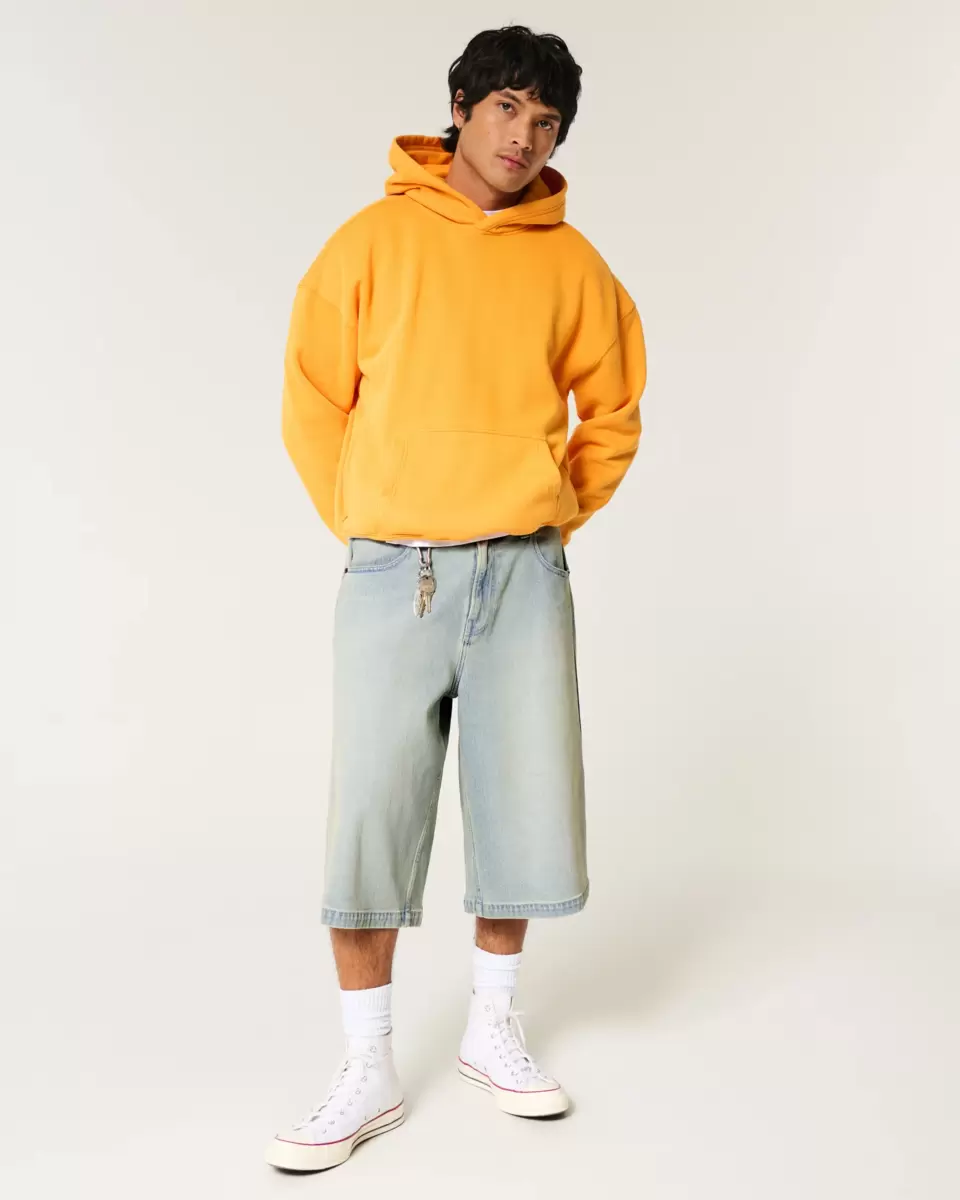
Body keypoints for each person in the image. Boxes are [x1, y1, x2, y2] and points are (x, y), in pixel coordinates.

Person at [266, 24, 646, 1172]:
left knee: (523, 800)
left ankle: (492, 1027)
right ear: (462, 106)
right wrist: (371, 518)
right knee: (371, 813)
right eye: (508, 108)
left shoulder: (574, 266)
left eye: (547, 122)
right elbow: (311, 397)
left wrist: (548, 515)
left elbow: (613, 411)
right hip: (398, 569)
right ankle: (367, 1064)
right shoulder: (370, 242)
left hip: (523, 571)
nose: (524, 137)